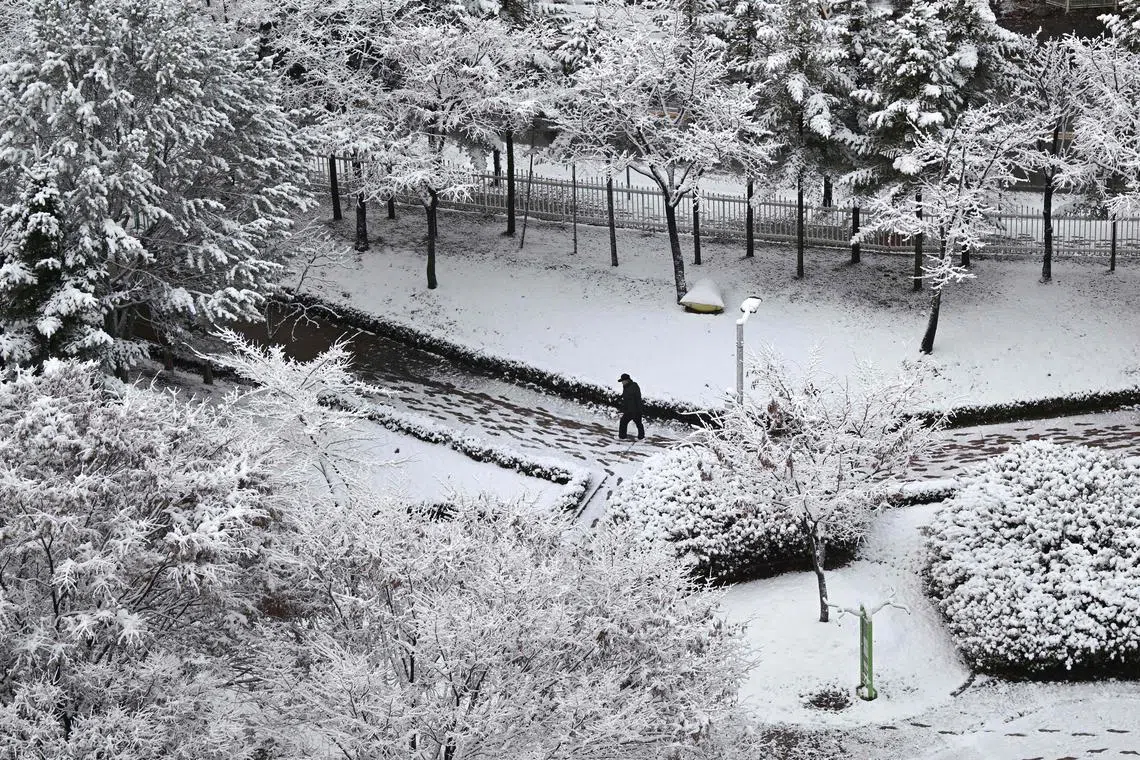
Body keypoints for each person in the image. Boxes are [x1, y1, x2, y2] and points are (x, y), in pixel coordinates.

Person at [618, 373, 644, 440]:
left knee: (637, 423)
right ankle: (622, 436)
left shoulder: (633, 386)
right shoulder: (627, 386)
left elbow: (636, 399)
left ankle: (641, 438)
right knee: (624, 422)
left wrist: (637, 411)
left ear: (627, 380)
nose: (622, 383)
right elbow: (626, 396)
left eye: (623, 381)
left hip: (635, 410)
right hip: (629, 410)